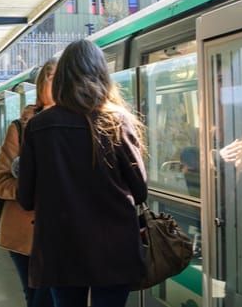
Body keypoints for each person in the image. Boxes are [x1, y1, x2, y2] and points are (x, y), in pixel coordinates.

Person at [18, 40, 147, 307]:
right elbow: (140, 190)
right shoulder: (118, 121)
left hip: (60, 248)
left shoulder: (38, 126)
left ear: (61, 78)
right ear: (102, 74)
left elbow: (26, 198)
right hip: (114, 247)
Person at [0, 58, 57, 307]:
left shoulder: (81, 124)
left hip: (65, 232)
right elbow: (0, 182)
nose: (58, 83)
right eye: (51, 77)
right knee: (38, 297)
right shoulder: (20, 128)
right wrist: (31, 190)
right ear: (41, 85)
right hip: (26, 232)